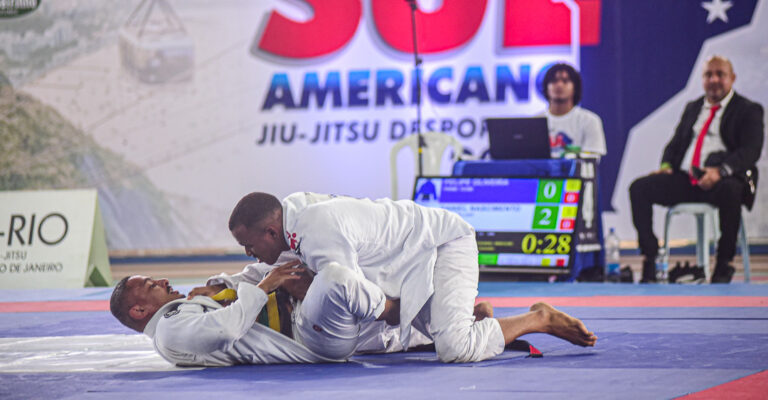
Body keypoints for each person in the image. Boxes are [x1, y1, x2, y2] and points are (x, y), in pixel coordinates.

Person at [227, 191, 597, 363]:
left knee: (455, 349)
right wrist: (224, 284)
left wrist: (302, 289)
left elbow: (355, 299)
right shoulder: (291, 217)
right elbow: (267, 271)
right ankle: (469, 316)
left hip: (442, 246)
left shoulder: (317, 231)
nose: (249, 253)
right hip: (407, 269)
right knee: (392, 326)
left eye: (248, 245)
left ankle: (538, 318)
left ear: (270, 233)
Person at [110, 259, 410, 366]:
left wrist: (221, 286)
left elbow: (234, 307)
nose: (162, 281)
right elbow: (226, 329)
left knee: (305, 260)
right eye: (152, 286)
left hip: (303, 323)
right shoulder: (169, 330)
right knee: (334, 276)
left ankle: (409, 320)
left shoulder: (179, 314)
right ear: (139, 310)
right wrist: (265, 286)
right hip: (307, 338)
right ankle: (391, 311)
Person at [629, 56, 764, 283]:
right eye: (708, 75)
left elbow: (751, 151)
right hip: (689, 179)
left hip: (725, 179)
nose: (714, 80)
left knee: (731, 191)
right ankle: (650, 256)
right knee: (639, 188)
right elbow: (675, 145)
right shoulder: (693, 108)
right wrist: (666, 167)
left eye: (720, 74)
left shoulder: (748, 110)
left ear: (732, 78)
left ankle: (724, 263)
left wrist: (719, 172)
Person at [541, 63, 607, 158]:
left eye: (565, 81)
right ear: (546, 88)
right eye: (554, 81)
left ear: (575, 88)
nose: (559, 85)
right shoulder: (533, 122)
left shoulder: (590, 120)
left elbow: (592, 161)